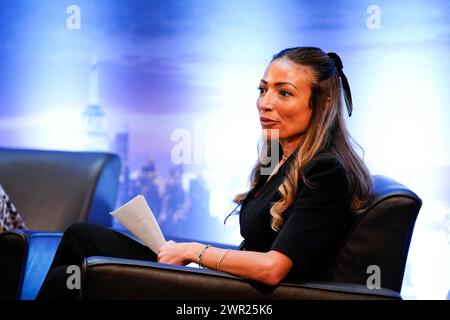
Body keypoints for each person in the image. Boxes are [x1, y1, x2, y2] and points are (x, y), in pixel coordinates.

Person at [36, 46, 372, 299]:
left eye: (283, 92)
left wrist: (195, 253)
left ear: (322, 104)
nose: (264, 102)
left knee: (66, 281)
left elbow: (272, 270)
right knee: (81, 237)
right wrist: (192, 256)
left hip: (246, 297)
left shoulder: (325, 171)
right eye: (262, 89)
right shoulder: (274, 151)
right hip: (229, 278)